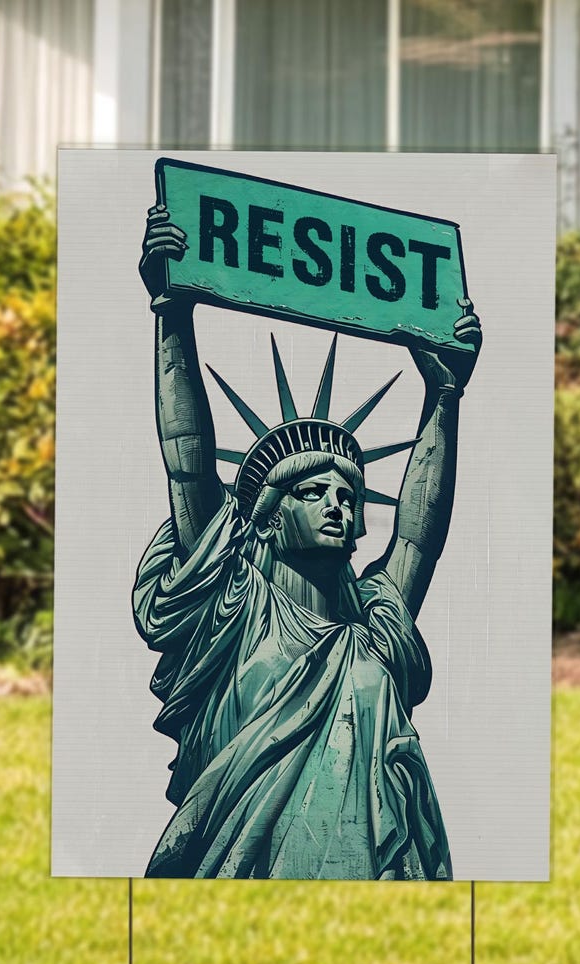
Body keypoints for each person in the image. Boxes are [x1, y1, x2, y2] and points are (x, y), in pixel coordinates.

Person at [133, 203, 481, 879]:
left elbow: (417, 533)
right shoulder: (228, 600)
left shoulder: (375, 621)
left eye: (348, 496)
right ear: (266, 513)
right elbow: (187, 458)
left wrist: (445, 394)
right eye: (313, 491)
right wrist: (171, 314)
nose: (337, 504)